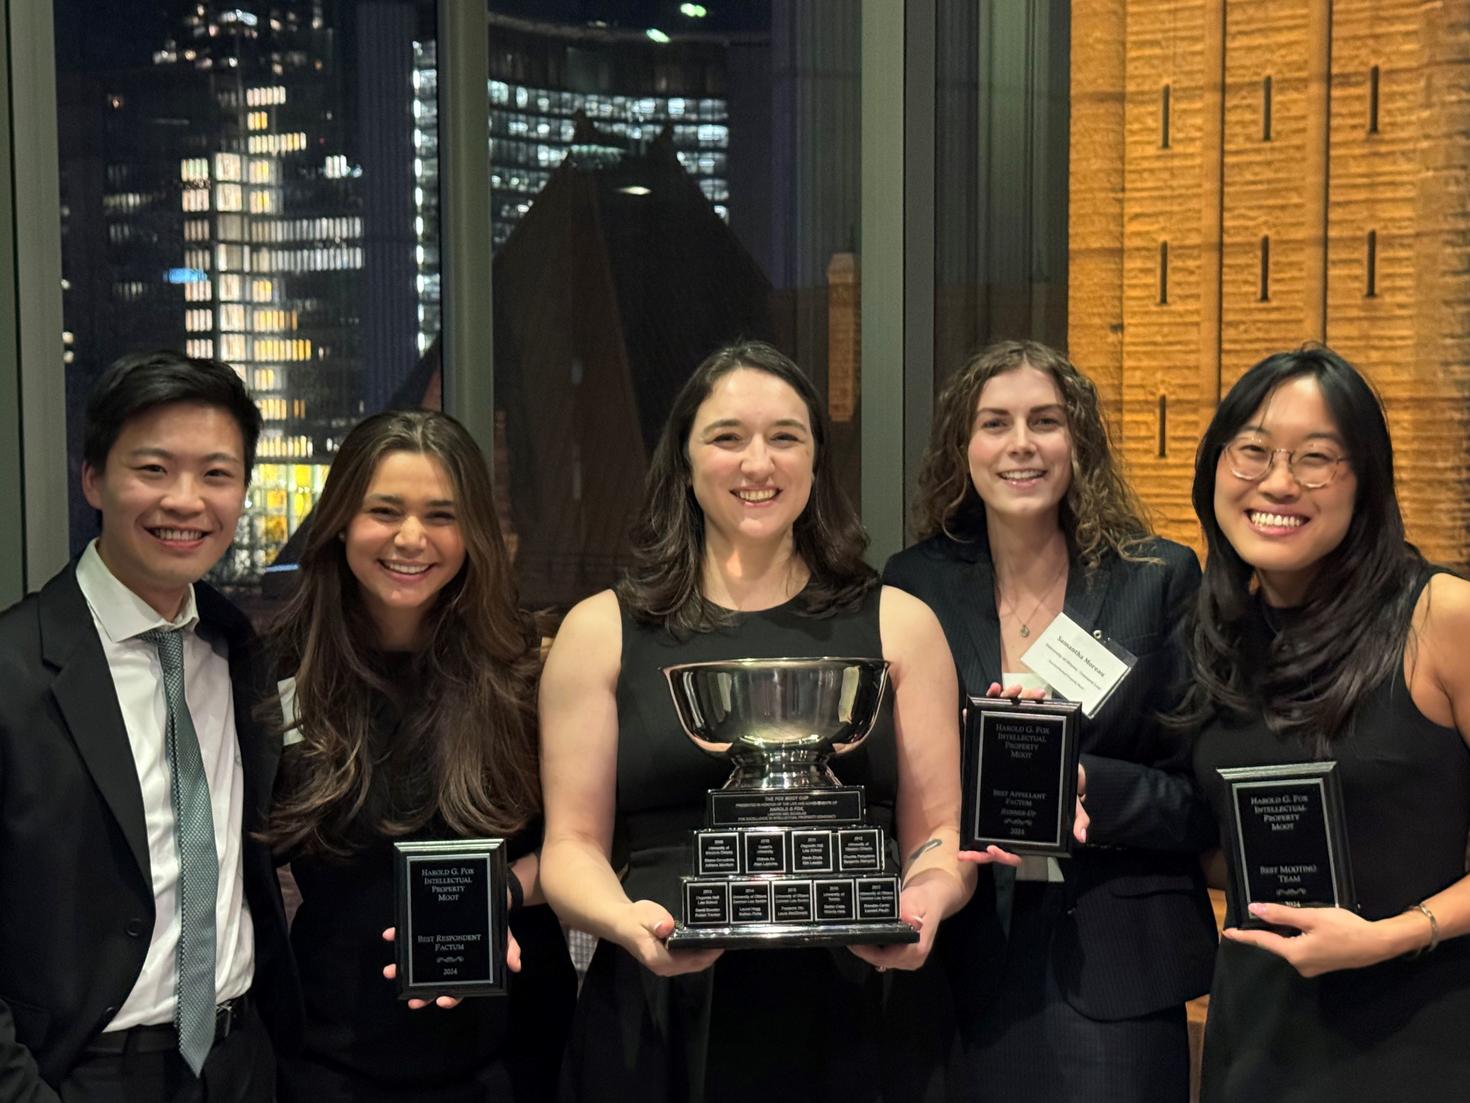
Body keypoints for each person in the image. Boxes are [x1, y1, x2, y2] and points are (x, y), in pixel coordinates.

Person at [539, 341, 982, 1103]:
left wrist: (926, 901)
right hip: (663, 1006)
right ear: (682, 461)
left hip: (860, 1000)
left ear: (816, 459)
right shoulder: (601, 630)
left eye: (785, 436)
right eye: (727, 437)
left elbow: (940, 832)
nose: (758, 463)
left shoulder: (901, 624)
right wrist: (625, 921)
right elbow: (570, 847)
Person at [883, 340, 1217, 1102]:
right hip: (956, 955)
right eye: (995, 423)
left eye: (1046, 421)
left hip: (1113, 964)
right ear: (962, 447)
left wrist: (1082, 783)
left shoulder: (1156, 578)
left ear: (1080, 443)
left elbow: (1199, 796)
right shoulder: (915, 584)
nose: (1021, 444)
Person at [0, 351, 299, 1102]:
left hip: (240, 1064)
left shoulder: (238, 653)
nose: (186, 501)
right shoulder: (13, 668)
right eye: (154, 469)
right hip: (78, 1074)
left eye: (217, 474)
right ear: (94, 477)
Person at [1182, 346, 1470, 1100]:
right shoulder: (1218, 634)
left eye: (1316, 459)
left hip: (1419, 1040)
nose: (1278, 482)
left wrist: (1390, 935)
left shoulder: (1441, 616)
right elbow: (1219, 845)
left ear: (1365, 480)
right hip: (1259, 1040)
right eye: (1252, 451)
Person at [262, 409, 575, 1102]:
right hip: (332, 1053)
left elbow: (592, 843)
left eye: (441, 514)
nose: (411, 537)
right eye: (384, 511)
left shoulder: (533, 670)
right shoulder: (275, 676)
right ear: (341, 520)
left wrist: (503, 893)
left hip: (515, 1050)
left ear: (476, 534)